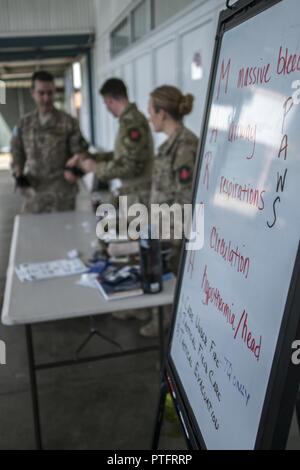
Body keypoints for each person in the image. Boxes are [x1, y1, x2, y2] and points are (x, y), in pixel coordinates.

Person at [140, 85, 199, 338]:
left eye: (151, 111)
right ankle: (163, 320)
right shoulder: (170, 144)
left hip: (174, 233)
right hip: (162, 228)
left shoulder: (185, 145)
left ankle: (170, 330)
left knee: (173, 284)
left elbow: (184, 198)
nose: (149, 117)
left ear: (162, 113)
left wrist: (166, 235)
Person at [11, 70, 89, 213]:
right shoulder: (24, 123)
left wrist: (76, 165)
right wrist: (18, 171)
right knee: (35, 233)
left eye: (50, 93)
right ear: (32, 93)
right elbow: (17, 151)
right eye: (41, 93)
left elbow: (79, 151)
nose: (46, 98)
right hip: (34, 192)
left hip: (62, 194)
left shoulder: (68, 122)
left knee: (64, 232)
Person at [68, 78, 153, 207]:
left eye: (106, 103)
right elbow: (123, 155)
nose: (107, 107)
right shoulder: (129, 121)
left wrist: (95, 168)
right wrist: (90, 157)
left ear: (110, 100)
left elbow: (131, 166)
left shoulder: (132, 123)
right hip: (134, 196)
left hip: (139, 198)